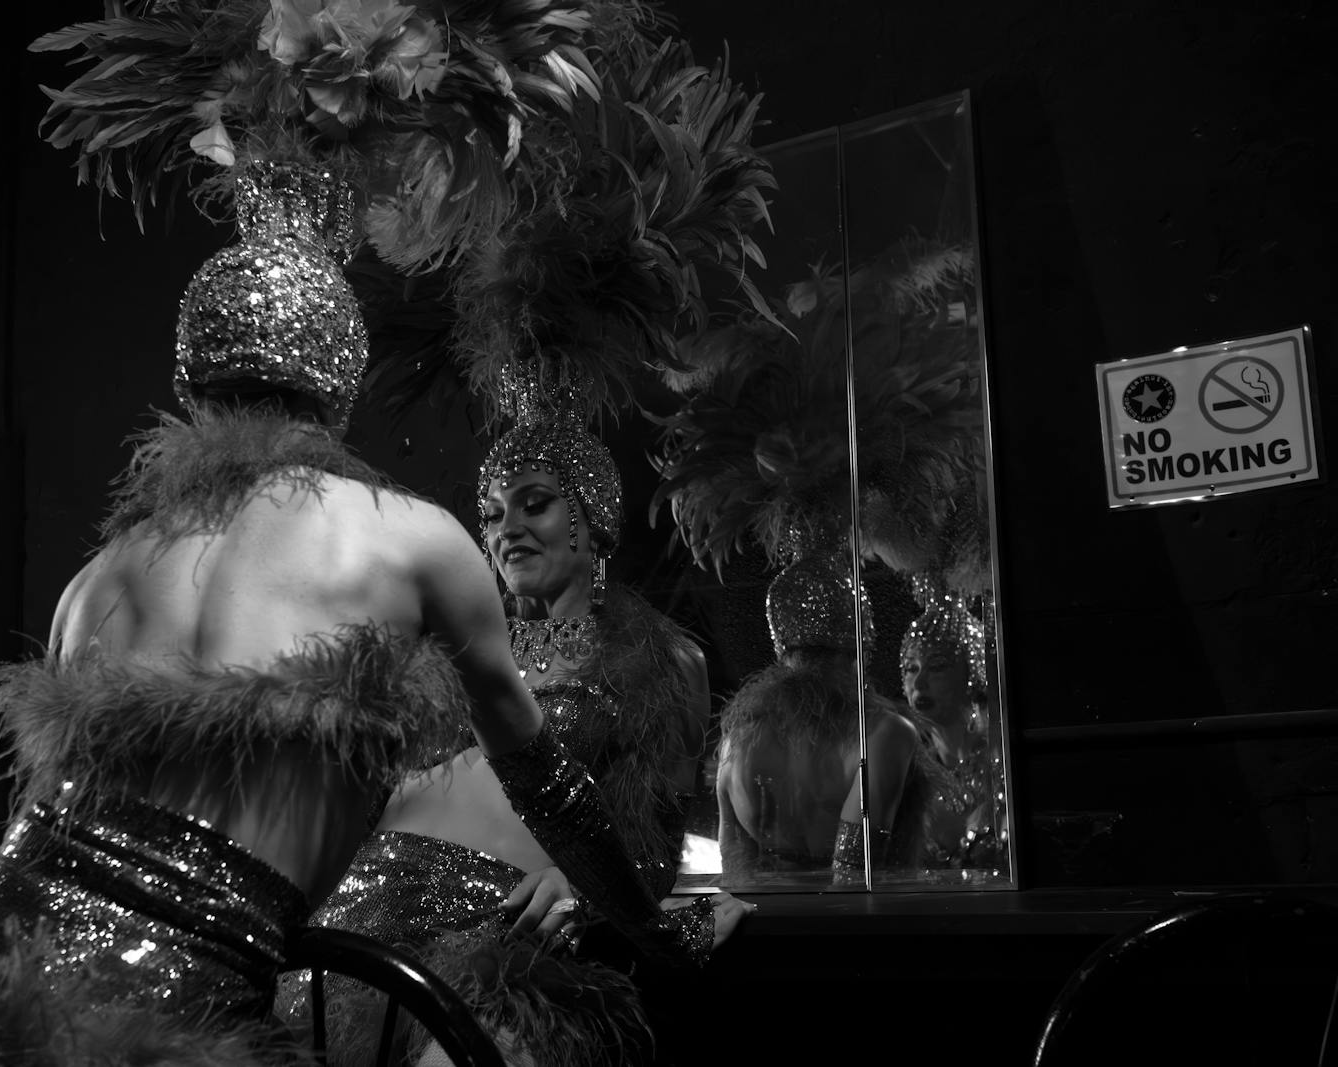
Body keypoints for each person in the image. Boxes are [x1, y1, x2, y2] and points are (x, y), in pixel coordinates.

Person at [0, 152, 677, 1063]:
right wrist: (655, 932)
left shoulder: (99, 575)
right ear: (340, 387)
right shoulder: (417, 540)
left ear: (189, 387)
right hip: (154, 1008)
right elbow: (547, 789)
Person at [284, 390, 752, 1066]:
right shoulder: (454, 647)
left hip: (496, 940)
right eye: (493, 514)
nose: (507, 529)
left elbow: (654, 838)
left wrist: (583, 886)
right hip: (362, 913)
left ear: (591, 521)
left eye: (535, 503)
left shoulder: (664, 659)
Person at [715, 549, 932, 885]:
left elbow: (735, 873)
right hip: (847, 928)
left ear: (782, 650)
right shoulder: (882, 734)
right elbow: (854, 876)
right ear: (860, 649)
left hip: (762, 928)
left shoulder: (737, 740)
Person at [899, 587, 1006, 875]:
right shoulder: (908, 774)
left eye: (937, 667)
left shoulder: (1003, 764)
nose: (919, 683)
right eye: (911, 668)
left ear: (972, 674)